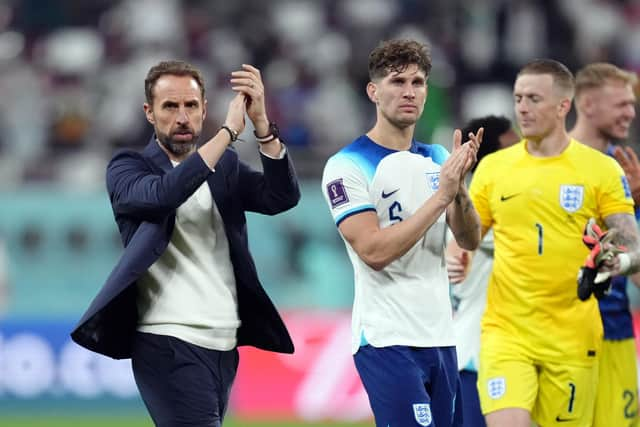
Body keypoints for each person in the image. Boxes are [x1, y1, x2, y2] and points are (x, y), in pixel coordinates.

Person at [70, 60, 300, 426]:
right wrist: (227, 132)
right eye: (170, 106)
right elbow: (165, 195)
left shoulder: (224, 167)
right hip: (167, 340)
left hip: (224, 343)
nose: (182, 117)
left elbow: (280, 198)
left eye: (190, 106)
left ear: (203, 109)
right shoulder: (128, 167)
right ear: (149, 113)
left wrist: (261, 127)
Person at [468, 59, 640, 427]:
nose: (522, 108)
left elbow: (631, 249)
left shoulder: (606, 171)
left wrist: (621, 259)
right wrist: (451, 204)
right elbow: (469, 239)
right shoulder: (501, 168)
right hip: (512, 332)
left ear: (563, 105)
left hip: (586, 334)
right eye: (518, 98)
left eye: (533, 98)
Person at [321, 38, 483, 427]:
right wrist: (441, 195)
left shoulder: (438, 158)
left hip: (442, 339)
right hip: (387, 338)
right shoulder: (347, 165)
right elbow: (373, 251)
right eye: (397, 82)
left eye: (418, 82)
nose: (409, 92)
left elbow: (469, 239)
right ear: (373, 91)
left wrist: (459, 191)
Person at [570, 62, 640, 427]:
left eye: (632, 104)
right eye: (622, 104)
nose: (631, 112)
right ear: (587, 104)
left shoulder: (628, 174)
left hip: (615, 332)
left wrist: (636, 207)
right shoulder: (545, 163)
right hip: (557, 332)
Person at [447, 116, 519, 427]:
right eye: (513, 149)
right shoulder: (480, 204)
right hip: (479, 354)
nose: (524, 155)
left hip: (505, 351)